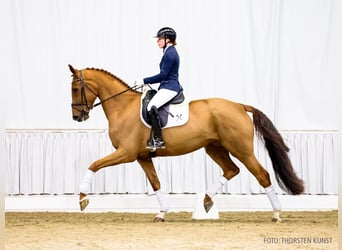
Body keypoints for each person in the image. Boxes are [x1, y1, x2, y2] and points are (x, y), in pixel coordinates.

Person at [137, 27, 183, 151]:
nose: (158, 41)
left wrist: (145, 80)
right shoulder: (168, 51)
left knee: (151, 106)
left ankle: (158, 140)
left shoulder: (170, 53)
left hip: (170, 87)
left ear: (168, 39)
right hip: (166, 86)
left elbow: (163, 75)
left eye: (160, 39)